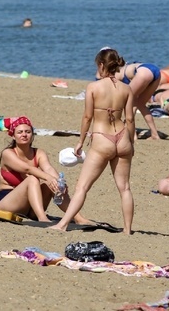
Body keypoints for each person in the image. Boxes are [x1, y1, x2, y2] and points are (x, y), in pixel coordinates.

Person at [51, 48, 135, 234]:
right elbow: (130, 119)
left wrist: (81, 141)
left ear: (101, 65)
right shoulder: (126, 89)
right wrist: (132, 144)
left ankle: (62, 224)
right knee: (125, 188)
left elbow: (88, 117)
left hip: (102, 139)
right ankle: (128, 230)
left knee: (82, 187)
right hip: (122, 138)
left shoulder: (93, 87)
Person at [0, 116, 93, 224]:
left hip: (29, 208)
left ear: (32, 134)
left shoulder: (38, 153)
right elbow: (27, 168)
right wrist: (49, 177)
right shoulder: (8, 153)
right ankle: (42, 218)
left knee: (51, 183)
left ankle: (78, 218)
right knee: (33, 179)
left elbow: (48, 168)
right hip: (7, 202)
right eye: (20, 132)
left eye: (27, 132)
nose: (24, 135)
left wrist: (59, 182)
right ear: (13, 136)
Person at [115, 57, 161, 140]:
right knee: (140, 104)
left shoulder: (117, 73)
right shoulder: (128, 66)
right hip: (155, 71)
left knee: (129, 103)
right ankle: (155, 134)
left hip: (143, 72)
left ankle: (133, 135)